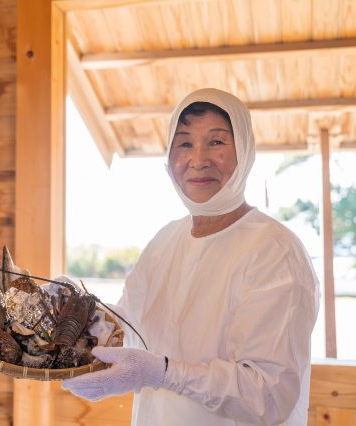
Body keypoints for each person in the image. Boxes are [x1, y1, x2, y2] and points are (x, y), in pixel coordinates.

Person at [62, 88, 320, 425]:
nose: (198, 160)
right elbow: (125, 323)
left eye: (216, 142)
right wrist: (76, 310)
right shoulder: (165, 240)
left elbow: (268, 394)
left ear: (245, 151)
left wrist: (162, 373)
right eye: (184, 143)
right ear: (168, 158)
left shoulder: (275, 251)